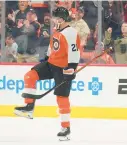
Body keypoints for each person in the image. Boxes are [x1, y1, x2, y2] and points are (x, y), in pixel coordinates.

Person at [14, 7, 81, 141]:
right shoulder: (57, 31)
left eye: (55, 18)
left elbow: (74, 52)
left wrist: (71, 69)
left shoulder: (71, 33)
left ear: (61, 19)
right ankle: (29, 107)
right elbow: (53, 47)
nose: (53, 20)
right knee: (30, 76)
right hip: (51, 64)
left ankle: (65, 128)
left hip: (63, 68)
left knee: (61, 98)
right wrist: (46, 58)